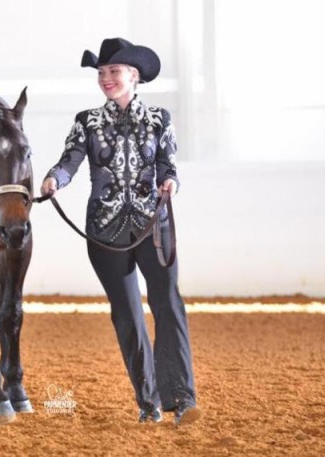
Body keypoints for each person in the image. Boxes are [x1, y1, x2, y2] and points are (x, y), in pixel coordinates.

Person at [40, 38, 201, 425]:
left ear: (133, 75)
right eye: (101, 73)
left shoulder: (160, 119)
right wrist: (53, 179)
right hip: (104, 232)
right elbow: (69, 162)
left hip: (152, 227)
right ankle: (148, 403)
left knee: (167, 305)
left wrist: (171, 184)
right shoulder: (87, 122)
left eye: (113, 72)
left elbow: (169, 166)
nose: (106, 79)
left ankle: (180, 398)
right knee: (127, 315)